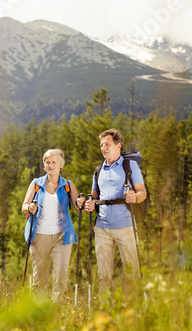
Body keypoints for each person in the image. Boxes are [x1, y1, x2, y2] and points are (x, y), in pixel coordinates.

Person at [80, 128, 146, 295]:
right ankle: (105, 313)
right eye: (101, 145)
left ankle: (135, 312)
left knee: (132, 272)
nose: (103, 148)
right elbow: (94, 197)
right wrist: (88, 204)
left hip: (126, 227)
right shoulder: (98, 170)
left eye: (107, 144)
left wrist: (134, 197)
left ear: (118, 146)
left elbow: (142, 192)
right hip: (102, 228)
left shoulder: (130, 166)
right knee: (103, 275)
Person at [22, 148, 80, 302]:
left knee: (61, 275)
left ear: (61, 165)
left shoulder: (68, 185)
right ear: (44, 166)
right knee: (40, 278)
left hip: (63, 236)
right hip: (40, 236)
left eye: (54, 162)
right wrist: (30, 208)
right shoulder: (36, 184)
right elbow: (24, 205)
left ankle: (57, 310)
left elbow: (77, 206)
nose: (51, 165)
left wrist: (82, 203)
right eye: (47, 162)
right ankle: (39, 313)